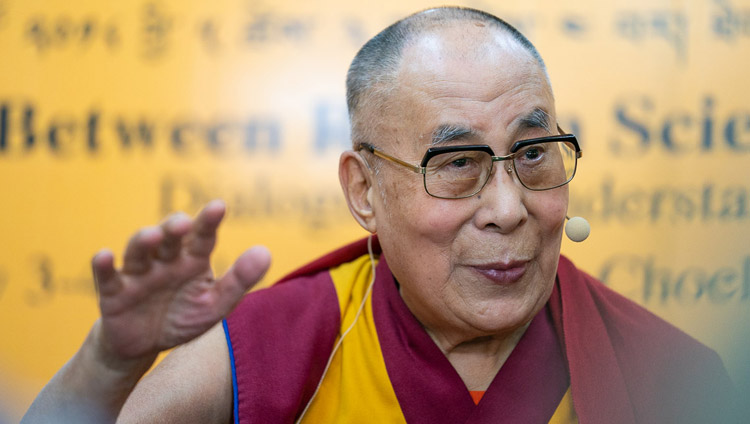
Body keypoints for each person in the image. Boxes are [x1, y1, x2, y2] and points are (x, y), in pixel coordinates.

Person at [22, 7, 738, 424]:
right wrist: (110, 363)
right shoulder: (279, 349)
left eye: (534, 154)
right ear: (364, 191)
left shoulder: (669, 376)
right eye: (457, 165)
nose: (508, 209)